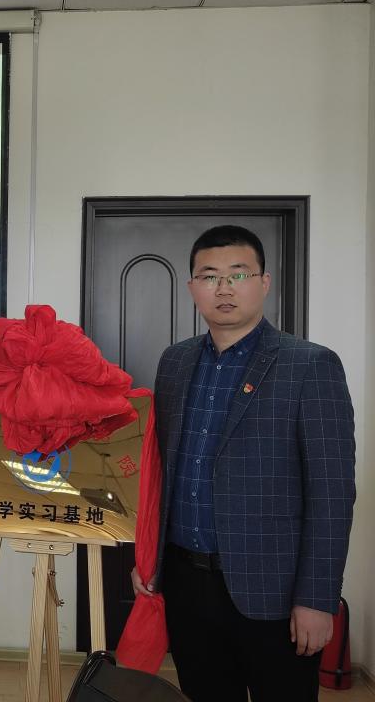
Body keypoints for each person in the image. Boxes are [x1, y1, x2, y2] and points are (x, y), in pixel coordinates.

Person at [131, 225, 355, 702]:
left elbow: (332, 494)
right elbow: (160, 473)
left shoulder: (309, 365)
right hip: (186, 583)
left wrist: (317, 599)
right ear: (192, 287)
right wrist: (148, 558)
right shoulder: (174, 363)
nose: (224, 288)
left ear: (264, 282)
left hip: (276, 593)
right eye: (209, 276)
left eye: (238, 274)